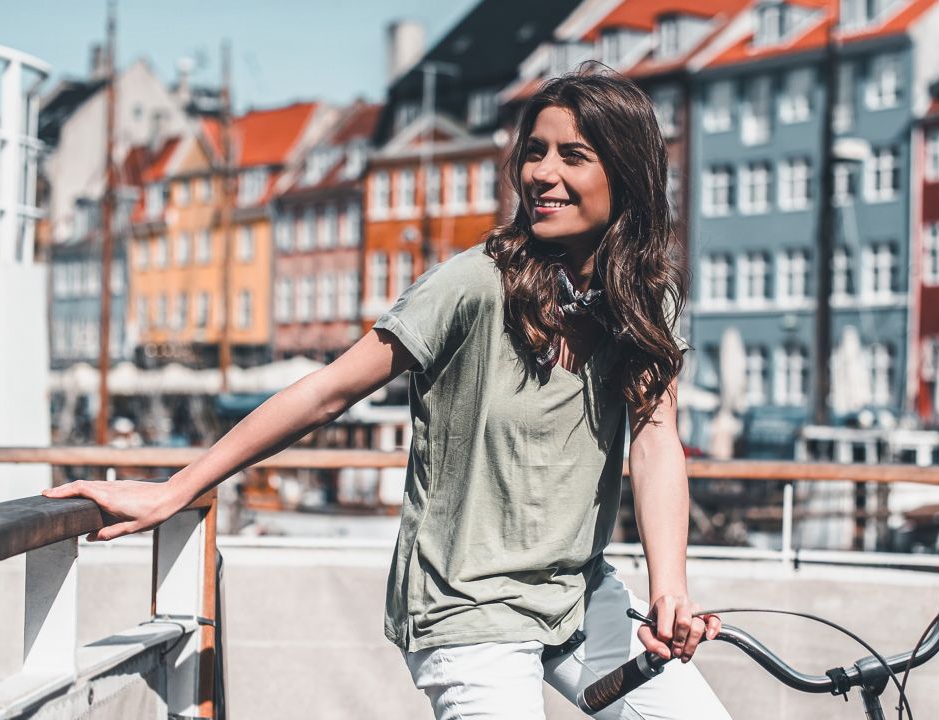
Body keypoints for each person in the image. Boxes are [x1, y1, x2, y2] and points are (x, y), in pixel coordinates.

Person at [44, 69, 730, 719]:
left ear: (627, 175)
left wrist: (670, 589)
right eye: (536, 151)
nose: (542, 174)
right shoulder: (473, 285)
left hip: (577, 594)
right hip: (467, 608)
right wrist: (175, 488)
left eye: (573, 156)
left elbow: (656, 436)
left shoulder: (642, 300)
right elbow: (326, 391)